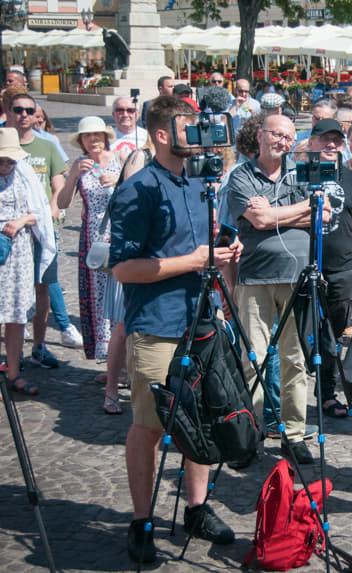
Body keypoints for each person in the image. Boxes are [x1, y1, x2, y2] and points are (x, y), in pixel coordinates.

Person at [110, 95, 242, 563]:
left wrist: (225, 250)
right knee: (150, 426)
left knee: (202, 419)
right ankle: (141, 521)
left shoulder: (201, 182)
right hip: (157, 325)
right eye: (190, 127)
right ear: (162, 134)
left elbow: (205, 246)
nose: (201, 136)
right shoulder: (139, 189)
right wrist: (194, 260)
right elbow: (123, 269)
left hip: (202, 320)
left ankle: (197, 509)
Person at [223, 113, 318, 466]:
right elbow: (257, 220)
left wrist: (276, 212)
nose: (283, 142)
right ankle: (252, 434)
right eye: (277, 134)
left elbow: (321, 214)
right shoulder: (241, 176)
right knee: (254, 359)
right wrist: (302, 208)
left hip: (297, 277)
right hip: (255, 277)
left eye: (289, 137)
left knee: (295, 360)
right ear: (260, 136)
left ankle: (293, 434)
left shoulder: (302, 172)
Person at [54, 117, 126, 415]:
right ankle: (112, 367)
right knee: (98, 306)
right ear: (81, 141)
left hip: (118, 238)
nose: (93, 140)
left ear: (105, 137)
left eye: (97, 135)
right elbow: (62, 203)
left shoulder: (120, 159)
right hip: (92, 241)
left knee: (118, 306)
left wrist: (118, 183)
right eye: (87, 137)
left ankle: (119, 369)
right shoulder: (79, 165)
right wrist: (73, 175)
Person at [304, 118, 352, 418]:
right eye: (324, 139)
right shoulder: (298, 175)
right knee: (305, 333)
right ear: (312, 142)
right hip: (304, 266)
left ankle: (327, 394)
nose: (331, 145)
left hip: (342, 268)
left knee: (332, 335)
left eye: (336, 140)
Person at [10, 91, 71, 369]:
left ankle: (39, 345)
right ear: (8, 112)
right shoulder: (4, 143)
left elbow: (58, 183)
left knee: (42, 287)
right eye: (18, 110)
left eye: (28, 110)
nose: (23, 115)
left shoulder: (47, 145)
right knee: (9, 290)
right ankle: (13, 355)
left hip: (42, 229)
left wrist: (53, 209)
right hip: (11, 231)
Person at [0, 128, 55, 397]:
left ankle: (13, 373)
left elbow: (38, 213)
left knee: (16, 314)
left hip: (18, 251)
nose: (6, 165)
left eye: (10, 161)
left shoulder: (23, 175)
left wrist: (20, 221)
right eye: (2, 161)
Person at [111, 97, 149, 162]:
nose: (125, 115)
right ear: (113, 114)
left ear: (137, 114)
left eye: (130, 110)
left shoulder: (148, 138)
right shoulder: (105, 137)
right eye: (120, 110)